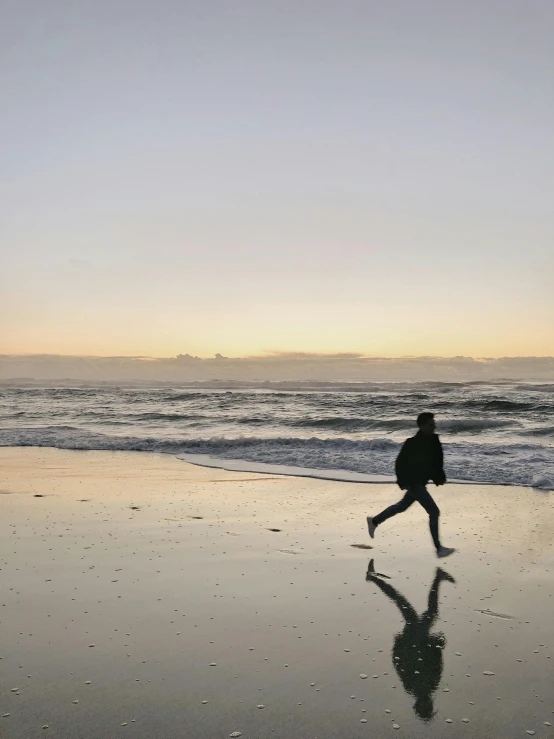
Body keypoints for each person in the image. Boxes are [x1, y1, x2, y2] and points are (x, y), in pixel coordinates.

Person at [366, 559, 455, 721]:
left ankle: (374, 578)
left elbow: (399, 662)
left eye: (425, 705)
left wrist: (399, 644)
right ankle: (373, 578)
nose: (427, 702)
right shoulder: (425, 686)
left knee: (411, 606)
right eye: (429, 705)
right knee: (412, 606)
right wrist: (437, 646)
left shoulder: (414, 685)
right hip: (418, 640)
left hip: (415, 640)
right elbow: (436, 662)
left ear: (419, 704)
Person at [367, 412, 455, 558]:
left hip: (421, 482)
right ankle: (439, 548)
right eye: (430, 424)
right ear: (421, 426)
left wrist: (439, 477)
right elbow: (399, 463)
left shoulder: (434, 440)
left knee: (402, 506)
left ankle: (374, 521)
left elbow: (437, 462)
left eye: (434, 424)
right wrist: (403, 483)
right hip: (413, 483)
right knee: (434, 512)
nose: (433, 427)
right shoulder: (412, 443)